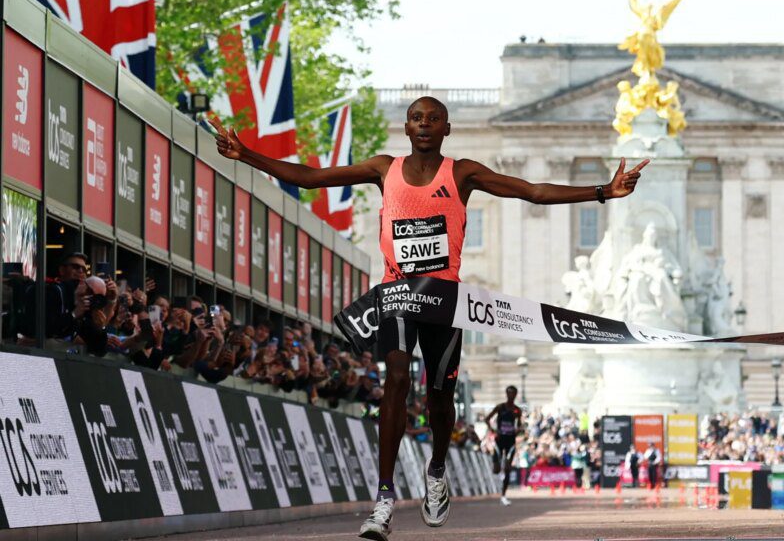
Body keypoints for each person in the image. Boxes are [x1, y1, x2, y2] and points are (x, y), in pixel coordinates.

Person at [210, 97, 647, 541]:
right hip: (398, 293)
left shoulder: (462, 173)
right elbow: (312, 178)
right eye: (417, 118)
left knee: (441, 398)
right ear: (406, 126)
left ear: (447, 129)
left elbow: (531, 191)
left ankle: (436, 467)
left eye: (433, 119)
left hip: (444, 300)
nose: (424, 125)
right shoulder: (384, 169)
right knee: (397, 377)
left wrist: (602, 192)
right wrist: (246, 154)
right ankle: (383, 498)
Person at [485, 385, 523, 506]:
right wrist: (493, 430)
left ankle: (503, 495)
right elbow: (487, 419)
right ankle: (494, 483)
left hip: (511, 441)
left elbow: (520, 425)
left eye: (513, 393)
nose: (511, 395)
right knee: (496, 470)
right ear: (506, 394)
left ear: (516, 395)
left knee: (507, 468)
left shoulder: (517, 410)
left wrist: (518, 430)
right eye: (509, 393)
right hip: (499, 440)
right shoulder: (500, 407)